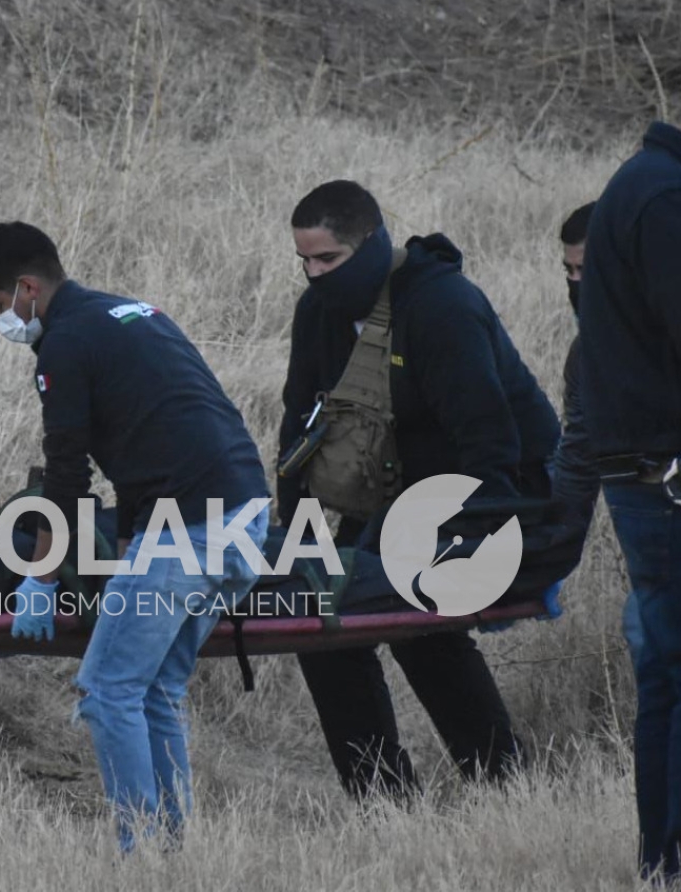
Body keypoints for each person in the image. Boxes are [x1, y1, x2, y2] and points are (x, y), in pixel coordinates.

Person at [0, 222, 270, 852]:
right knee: (156, 690)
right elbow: (166, 434)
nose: (0, 322)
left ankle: (141, 856)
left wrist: (39, 578)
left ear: (27, 287)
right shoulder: (134, 312)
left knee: (108, 693)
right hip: (247, 517)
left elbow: (68, 476)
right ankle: (173, 855)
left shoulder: (66, 344)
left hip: (187, 528)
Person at [275, 180, 561, 799]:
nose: (313, 274)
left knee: (417, 621)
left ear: (372, 243)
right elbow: (298, 429)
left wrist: (465, 552)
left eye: (328, 259)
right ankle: (381, 801)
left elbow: (491, 443)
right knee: (317, 618)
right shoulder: (317, 314)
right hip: (394, 504)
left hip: (498, 501)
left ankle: (500, 785)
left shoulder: (441, 307)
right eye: (304, 260)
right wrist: (295, 543)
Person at [577, 120, 681, 882]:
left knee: (667, 681)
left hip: (643, 470)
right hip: (665, 474)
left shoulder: (641, 184)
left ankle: (661, 863)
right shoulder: (665, 197)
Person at [549, 202, 643, 668]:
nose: (576, 282)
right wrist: (546, 554)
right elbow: (579, 456)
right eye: (569, 269)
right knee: (647, 632)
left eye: (588, 268)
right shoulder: (587, 353)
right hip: (656, 535)